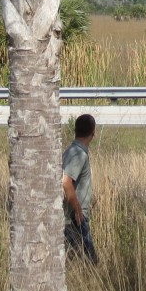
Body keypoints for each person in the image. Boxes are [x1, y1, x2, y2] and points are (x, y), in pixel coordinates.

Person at [62, 112, 98, 264]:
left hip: (73, 216)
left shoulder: (72, 151)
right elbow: (66, 182)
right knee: (91, 262)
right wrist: (77, 208)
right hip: (76, 217)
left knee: (73, 260)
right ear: (93, 132)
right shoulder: (78, 154)